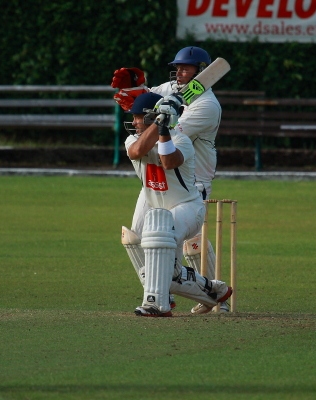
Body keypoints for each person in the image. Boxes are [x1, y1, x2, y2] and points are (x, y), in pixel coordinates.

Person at [114, 46, 225, 313]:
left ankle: (211, 298)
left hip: (192, 178)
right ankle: (161, 294)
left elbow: (166, 131)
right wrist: (135, 91)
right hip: (157, 176)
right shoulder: (171, 87)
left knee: (190, 244)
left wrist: (161, 114)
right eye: (177, 67)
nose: (180, 72)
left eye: (186, 68)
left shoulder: (207, 105)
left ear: (202, 71)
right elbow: (148, 104)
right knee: (138, 238)